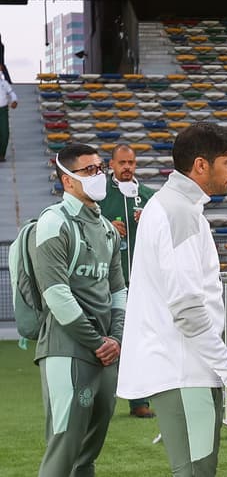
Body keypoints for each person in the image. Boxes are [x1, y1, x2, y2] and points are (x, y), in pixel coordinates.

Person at [116, 122, 227, 476]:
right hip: (185, 369)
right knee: (195, 473)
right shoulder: (177, 212)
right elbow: (188, 310)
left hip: (185, 366)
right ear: (201, 165)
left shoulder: (176, 206)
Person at [32, 143, 126, 476]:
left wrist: (115, 338)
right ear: (67, 180)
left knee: (87, 454)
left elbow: (118, 290)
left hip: (105, 352)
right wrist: (97, 341)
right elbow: (56, 295)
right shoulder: (53, 222)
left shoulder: (107, 230)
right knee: (64, 449)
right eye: (89, 170)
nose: (99, 175)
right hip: (67, 349)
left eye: (101, 168)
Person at [98, 144, 156, 418]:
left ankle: (139, 401)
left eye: (131, 162)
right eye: (122, 162)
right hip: (108, 283)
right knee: (107, 339)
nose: (127, 167)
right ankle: (100, 399)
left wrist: (151, 221)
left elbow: (164, 232)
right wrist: (107, 224)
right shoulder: (100, 196)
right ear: (112, 164)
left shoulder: (147, 197)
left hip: (142, 282)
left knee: (141, 341)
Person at [0, 71, 17, 162]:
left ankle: (1, 154)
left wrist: (14, 100)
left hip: (3, 110)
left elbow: (12, 93)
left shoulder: (4, 83)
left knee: (4, 132)